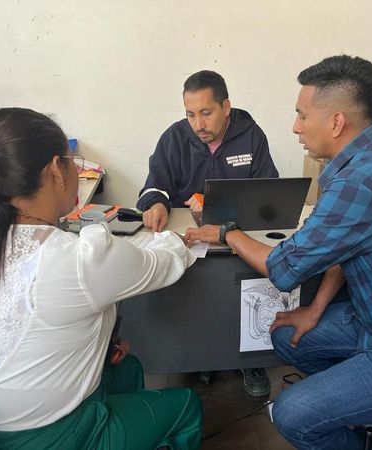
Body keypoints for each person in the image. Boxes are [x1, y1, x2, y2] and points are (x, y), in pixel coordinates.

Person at [184, 55, 372, 450]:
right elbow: (349, 242)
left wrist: (228, 233)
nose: (295, 126)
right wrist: (315, 308)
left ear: (336, 122)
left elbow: (282, 269)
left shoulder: (358, 182)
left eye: (301, 115)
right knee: (287, 334)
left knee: (292, 414)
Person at [0, 108, 202, 450]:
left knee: (127, 370)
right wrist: (177, 239)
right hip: (38, 439)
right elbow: (162, 264)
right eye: (73, 162)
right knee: (185, 405)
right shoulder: (79, 258)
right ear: (55, 171)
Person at [137, 70, 279, 397]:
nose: (198, 124)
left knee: (247, 285)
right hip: (190, 239)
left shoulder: (251, 136)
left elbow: (269, 190)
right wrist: (155, 203)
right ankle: (205, 355)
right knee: (198, 292)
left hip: (238, 236)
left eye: (206, 113)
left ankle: (250, 359)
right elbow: (154, 185)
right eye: (190, 114)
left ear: (226, 107)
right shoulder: (175, 138)